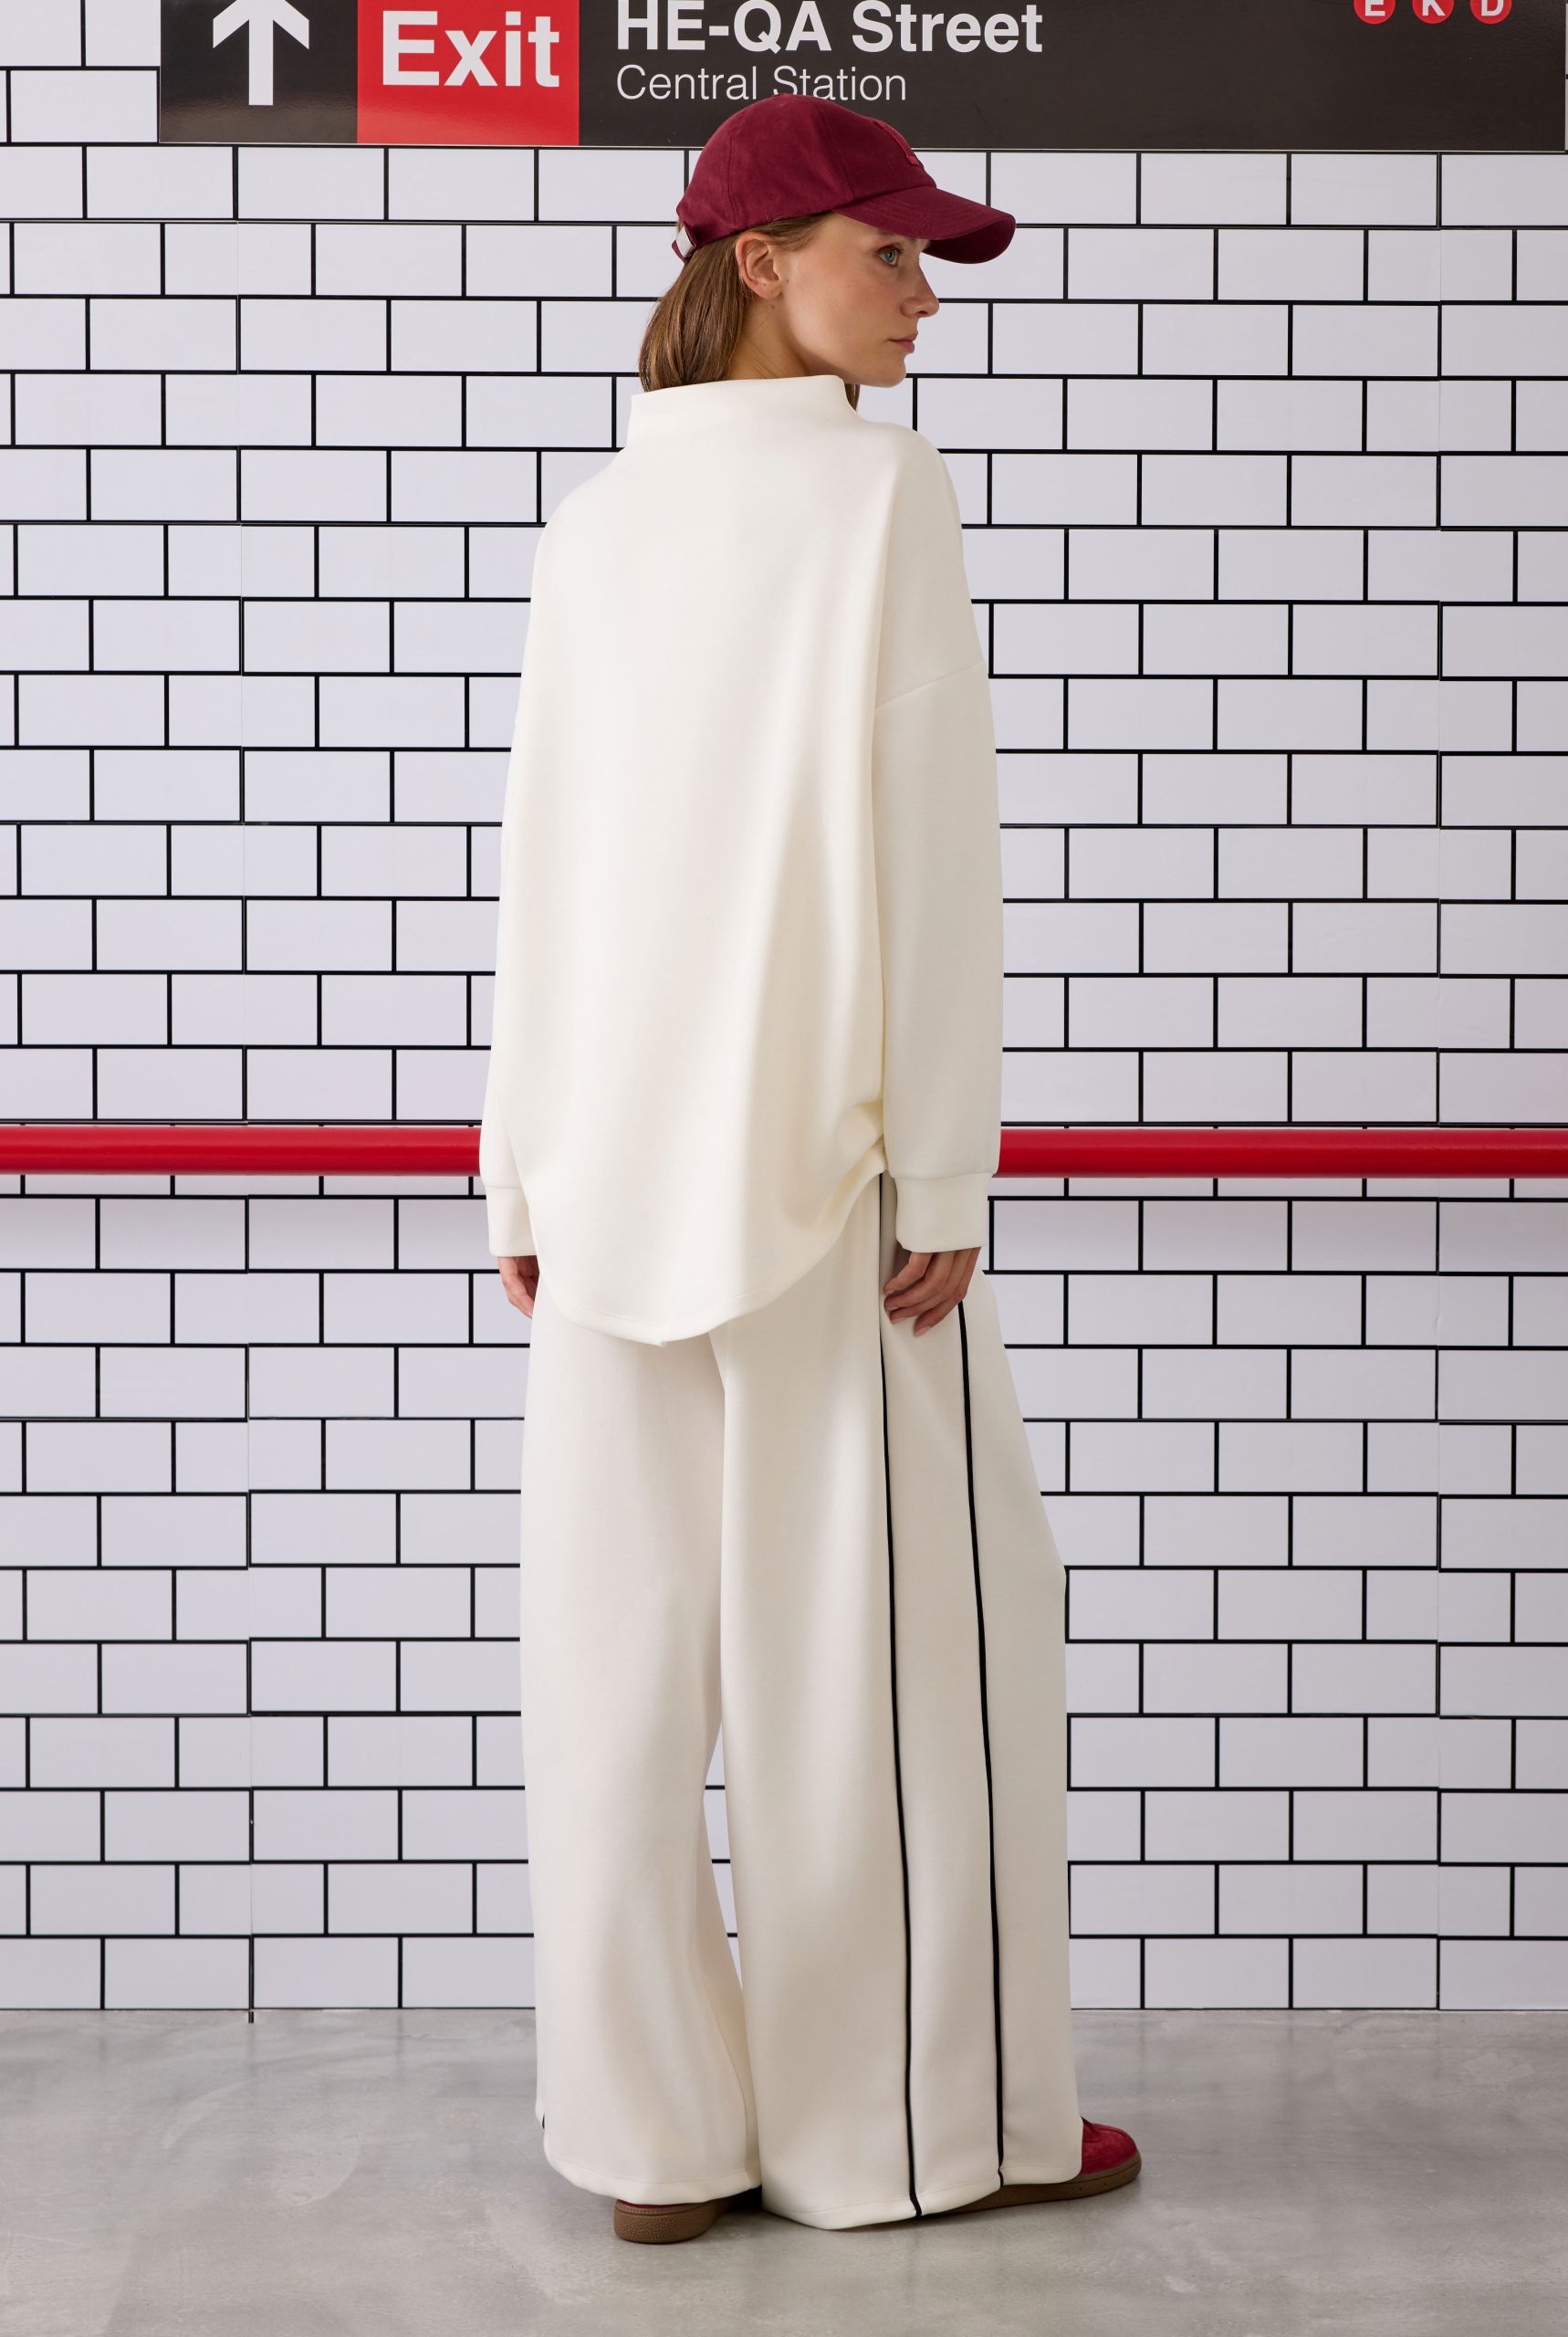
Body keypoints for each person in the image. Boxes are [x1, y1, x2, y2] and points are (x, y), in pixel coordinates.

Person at [478, 91, 1141, 2242]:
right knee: (875, 1678)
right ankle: (890, 2139)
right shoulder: (876, 495)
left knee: (613, 1679)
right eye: (890, 253)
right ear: (761, 264)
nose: (922, 298)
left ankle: (653, 2142)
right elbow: (928, 849)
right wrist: (943, 1165)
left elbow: (542, 862)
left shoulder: (596, 516)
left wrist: (516, 1169)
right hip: (824, 1187)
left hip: (601, 1189)